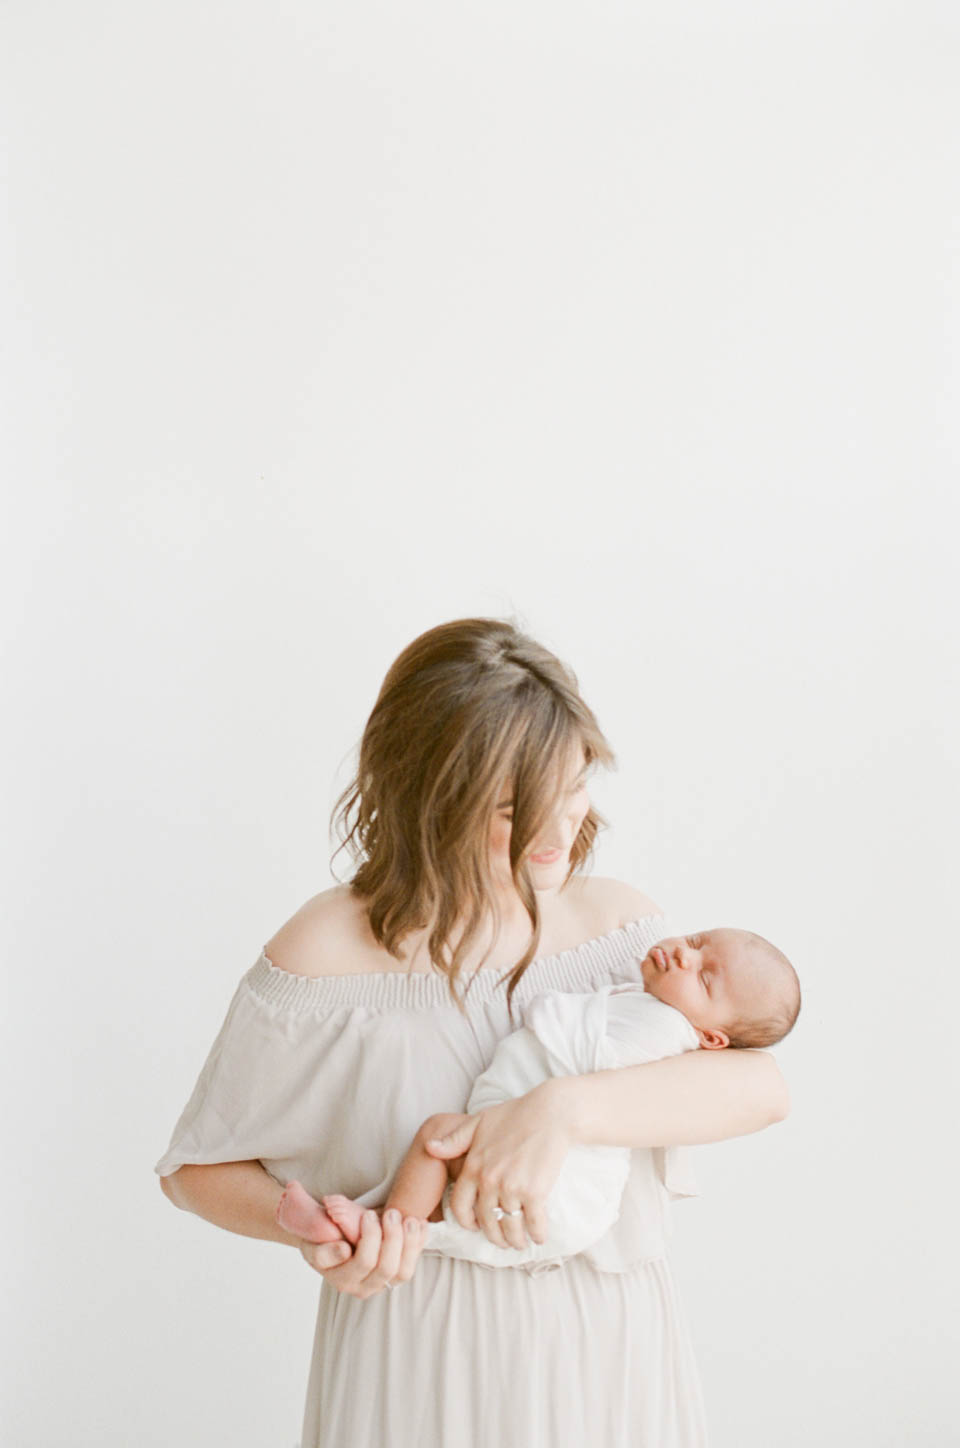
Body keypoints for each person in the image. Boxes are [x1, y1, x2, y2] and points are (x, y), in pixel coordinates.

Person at [155, 618, 790, 1448]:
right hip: (425, 1351)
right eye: (514, 809)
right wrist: (307, 1225)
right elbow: (196, 1169)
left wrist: (559, 1111)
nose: (559, 831)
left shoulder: (622, 933)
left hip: (611, 1346)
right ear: (431, 800)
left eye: (573, 786)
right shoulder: (324, 952)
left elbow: (762, 1085)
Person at [275, 927, 801, 1269]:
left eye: (704, 976)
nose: (685, 954)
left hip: (564, 1188)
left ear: (712, 1039)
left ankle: (391, 1231)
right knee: (438, 1144)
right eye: (697, 940)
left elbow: (568, 1033)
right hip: (541, 1172)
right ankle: (372, 1227)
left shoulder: (666, 1032)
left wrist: (557, 1101)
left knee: (439, 1140)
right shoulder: (644, 1001)